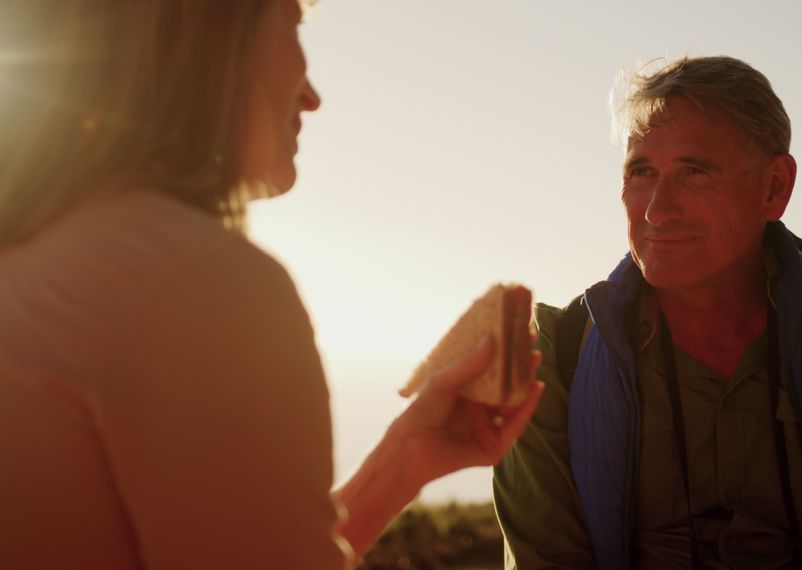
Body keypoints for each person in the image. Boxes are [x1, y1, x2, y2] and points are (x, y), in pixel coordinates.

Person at [0, 1, 542, 568]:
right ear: (214, 36)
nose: (311, 94)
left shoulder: (42, 263)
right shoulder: (195, 279)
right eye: (292, 25)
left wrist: (403, 460)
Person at [494, 56, 802, 569]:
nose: (657, 209)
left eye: (694, 172)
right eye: (641, 171)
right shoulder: (544, 364)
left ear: (775, 188)